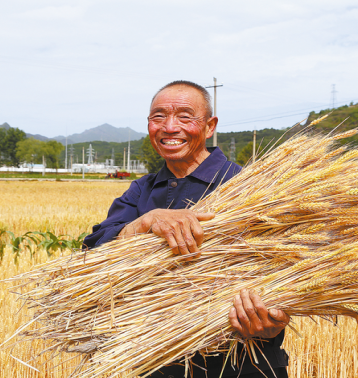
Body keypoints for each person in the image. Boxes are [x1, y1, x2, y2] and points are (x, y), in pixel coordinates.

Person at [83, 81, 290, 378]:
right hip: (153, 363)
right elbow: (92, 253)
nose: (169, 126)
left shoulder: (251, 187)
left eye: (184, 116)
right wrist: (145, 222)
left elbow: (289, 264)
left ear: (209, 127)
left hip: (243, 364)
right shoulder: (142, 190)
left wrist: (275, 321)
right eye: (158, 117)